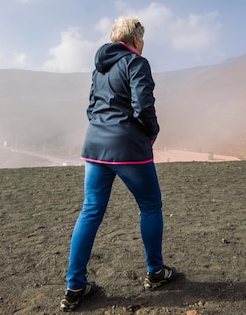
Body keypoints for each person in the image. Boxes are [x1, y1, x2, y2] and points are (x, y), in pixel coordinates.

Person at [60, 16, 177, 311]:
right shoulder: (136, 63)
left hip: (94, 148)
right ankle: (155, 272)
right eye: (143, 39)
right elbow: (143, 105)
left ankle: (75, 287)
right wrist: (151, 133)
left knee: (90, 212)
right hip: (128, 149)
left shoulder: (100, 68)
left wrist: (103, 129)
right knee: (150, 206)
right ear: (135, 39)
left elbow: (91, 107)